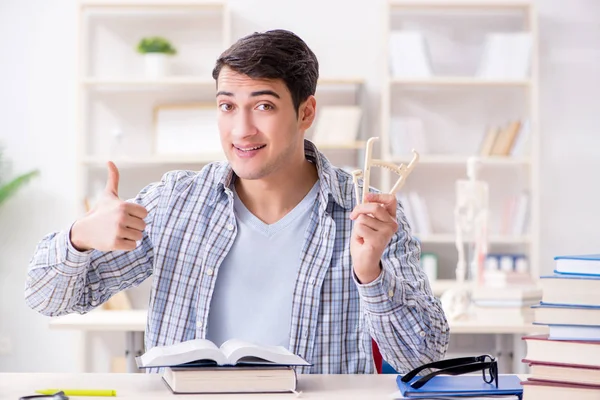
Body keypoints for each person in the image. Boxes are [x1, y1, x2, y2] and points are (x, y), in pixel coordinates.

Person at [25, 29, 449, 374]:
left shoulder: (366, 215)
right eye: (227, 106)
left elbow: (423, 357)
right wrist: (80, 237)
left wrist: (370, 274)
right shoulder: (175, 204)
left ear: (306, 113)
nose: (241, 129)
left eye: (263, 105)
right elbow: (47, 299)